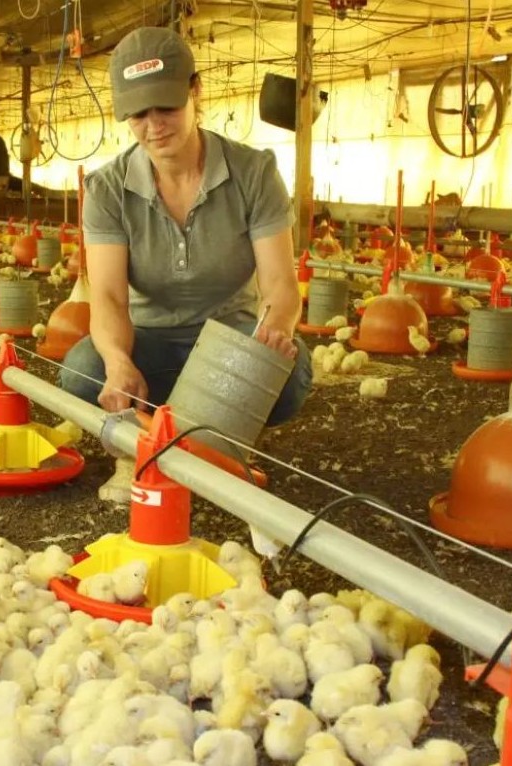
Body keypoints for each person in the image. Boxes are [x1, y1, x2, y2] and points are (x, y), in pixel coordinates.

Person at [58, 26, 313, 498]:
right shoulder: (108, 189)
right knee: (82, 371)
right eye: (137, 114)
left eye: (166, 107)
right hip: (149, 341)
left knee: (289, 377)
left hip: (228, 336)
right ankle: (173, 436)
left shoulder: (253, 172)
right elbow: (110, 296)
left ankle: (202, 435)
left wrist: (270, 335)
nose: (154, 125)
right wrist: (117, 360)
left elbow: (280, 284)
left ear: (196, 90)